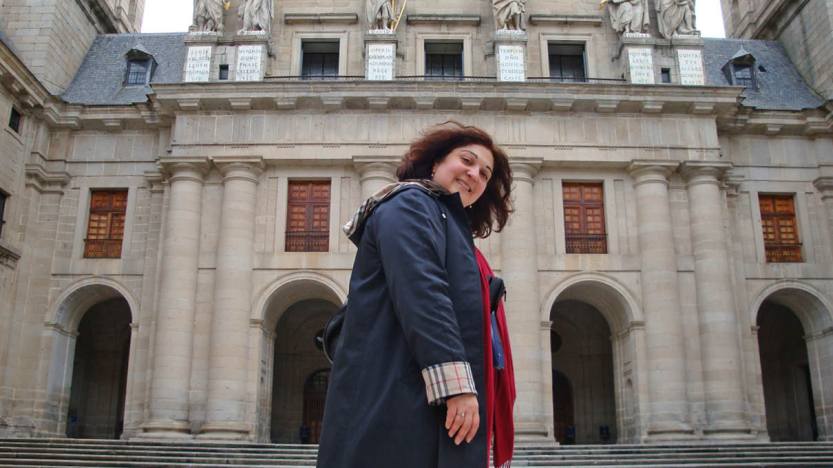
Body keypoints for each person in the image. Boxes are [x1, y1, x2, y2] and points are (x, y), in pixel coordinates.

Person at [317, 122, 516, 468]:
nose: (474, 174)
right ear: (436, 163)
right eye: (466, 160)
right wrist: (457, 387)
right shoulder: (410, 203)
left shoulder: (451, 228)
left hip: (425, 405)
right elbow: (423, 293)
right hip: (399, 404)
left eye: (485, 173)